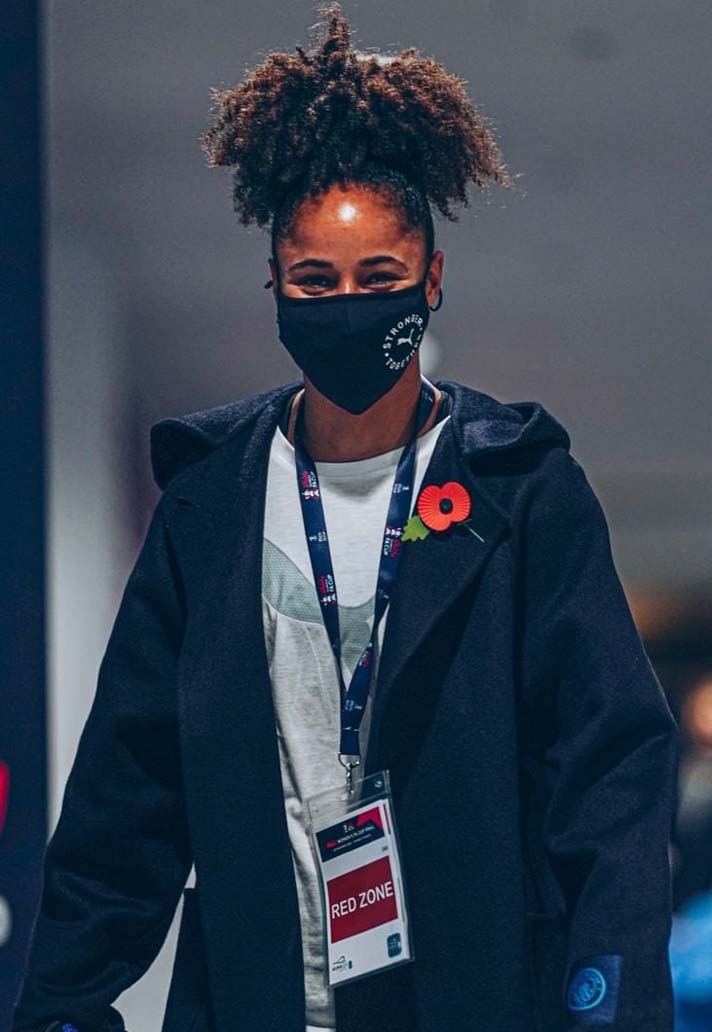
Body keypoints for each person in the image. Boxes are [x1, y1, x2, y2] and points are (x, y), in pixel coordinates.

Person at [12, 4, 680, 1032]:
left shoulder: (520, 490)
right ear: (275, 289)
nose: (348, 304)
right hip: (263, 991)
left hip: (472, 991)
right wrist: (63, 999)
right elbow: (131, 784)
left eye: (380, 279)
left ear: (432, 281)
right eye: (315, 281)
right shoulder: (211, 503)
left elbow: (608, 768)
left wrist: (611, 998)